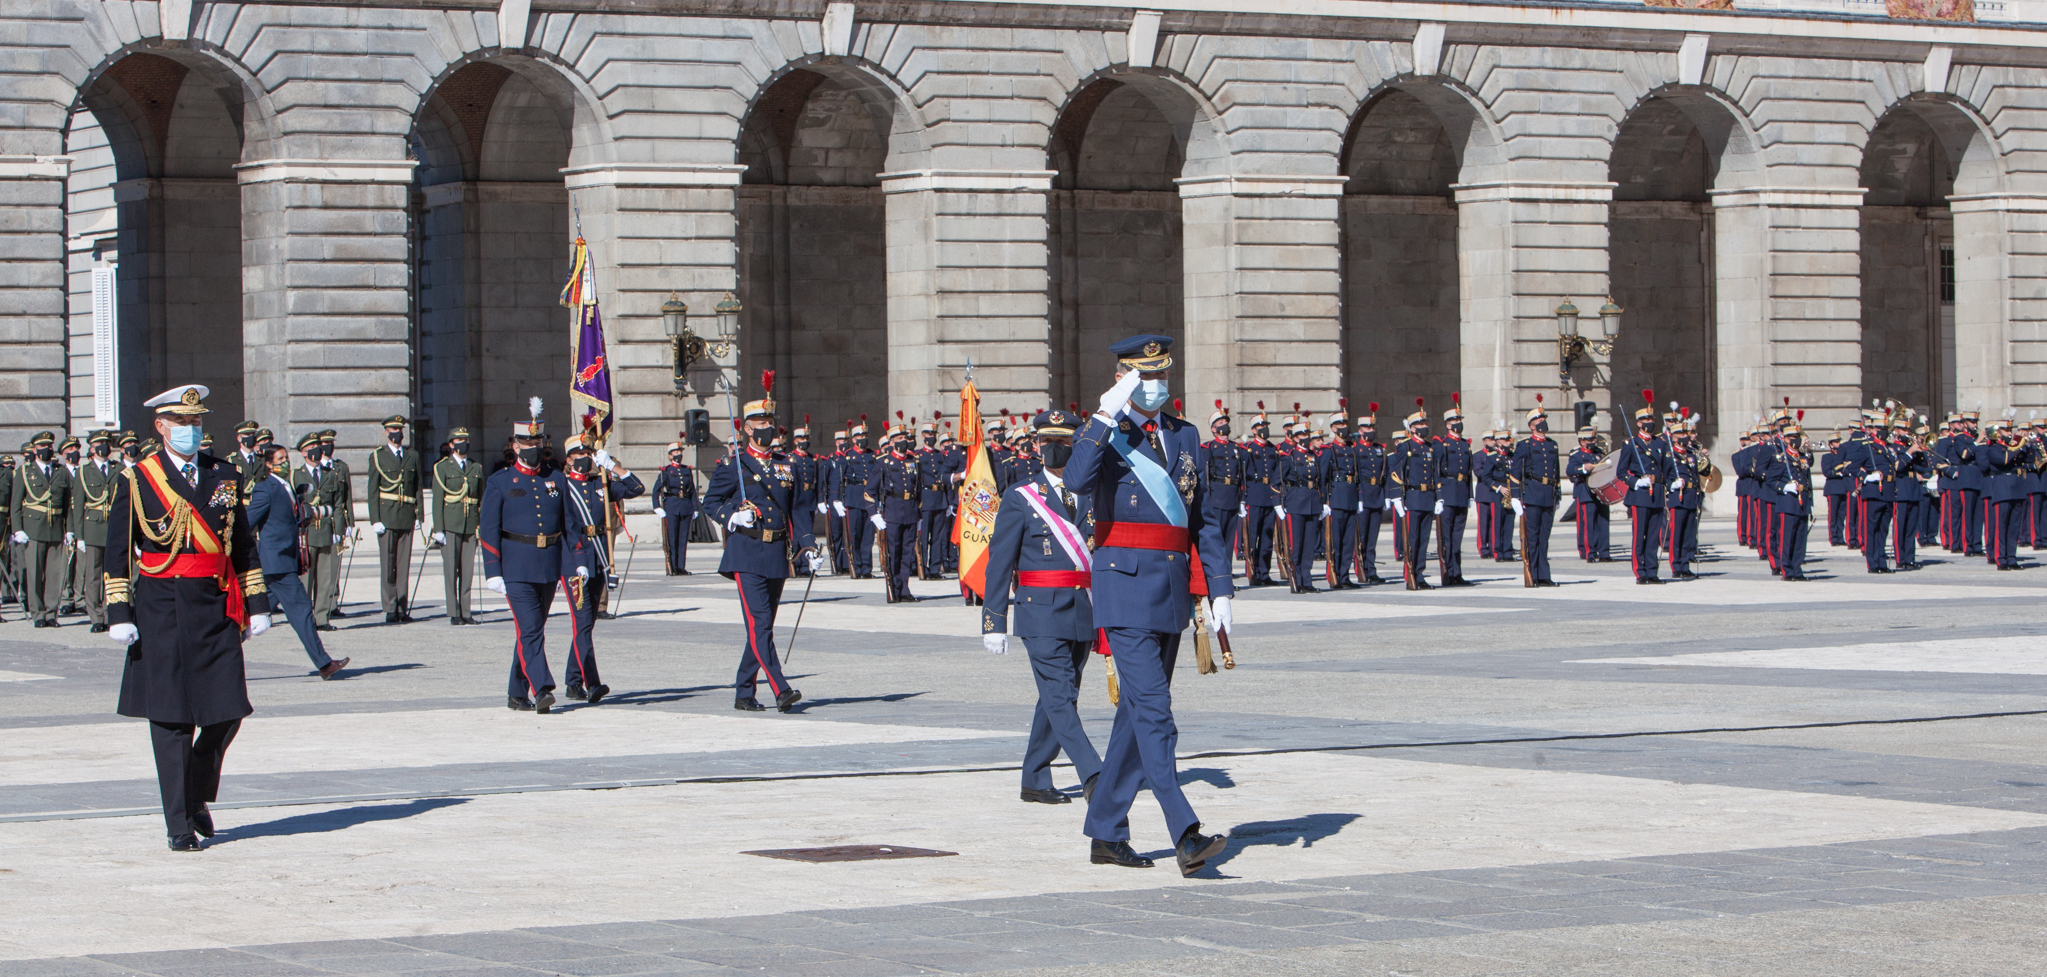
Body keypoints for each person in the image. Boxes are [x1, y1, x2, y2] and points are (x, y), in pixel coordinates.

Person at [1066, 334, 1231, 876]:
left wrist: (1220, 588)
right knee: (1157, 714)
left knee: (1135, 717)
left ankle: (1106, 832)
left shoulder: (1185, 435)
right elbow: (1074, 484)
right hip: (1123, 590)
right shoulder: (1106, 434)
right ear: (1124, 380)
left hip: (1171, 592)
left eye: (1163, 376)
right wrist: (1102, 418)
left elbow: (1202, 518)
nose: (1159, 386)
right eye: (1147, 378)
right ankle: (1185, 834)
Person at [106, 384, 273, 851]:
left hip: (215, 604)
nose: (191, 430)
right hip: (163, 607)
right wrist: (119, 612)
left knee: (228, 710)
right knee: (172, 719)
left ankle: (196, 792)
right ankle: (178, 823)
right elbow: (116, 552)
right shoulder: (138, 478)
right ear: (160, 427)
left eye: (196, 422)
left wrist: (257, 603)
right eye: (181, 423)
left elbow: (241, 543)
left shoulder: (224, 474)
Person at [980, 408, 1104, 805]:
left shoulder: (1092, 492)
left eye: (1063, 442)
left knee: (1058, 696)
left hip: (1082, 607)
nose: (1054, 448)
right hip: (1039, 611)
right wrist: (993, 620)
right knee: (1060, 692)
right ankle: (1095, 774)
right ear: (1035, 446)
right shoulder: (1020, 497)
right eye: (1047, 442)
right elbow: (1000, 560)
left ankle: (1034, 777)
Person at [703, 377, 821, 713]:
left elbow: (798, 508)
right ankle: (780, 688)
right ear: (748, 430)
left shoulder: (787, 464)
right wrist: (732, 517)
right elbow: (710, 502)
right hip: (746, 551)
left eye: (771, 423)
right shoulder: (734, 466)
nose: (768, 429)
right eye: (761, 424)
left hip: (776, 552)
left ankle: (744, 691)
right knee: (759, 623)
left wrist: (808, 546)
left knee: (762, 625)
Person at [480, 400, 598, 714]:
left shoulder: (556, 479)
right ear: (514, 445)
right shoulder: (500, 482)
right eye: (526, 442)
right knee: (530, 628)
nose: (533, 447)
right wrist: (492, 569)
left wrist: (580, 558)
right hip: (515, 565)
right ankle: (543, 687)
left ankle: (517, 693)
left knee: (532, 630)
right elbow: (488, 528)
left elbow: (570, 524)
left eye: (537, 442)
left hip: (549, 565)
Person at [248, 443, 349, 679]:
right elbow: (248, 521)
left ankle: (220, 653)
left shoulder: (286, 487)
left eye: (286, 459)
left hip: (283, 560)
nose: (286, 463)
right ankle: (324, 664)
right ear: (270, 465)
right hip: (276, 562)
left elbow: (288, 518)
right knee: (302, 609)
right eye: (280, 460)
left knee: (252, 612)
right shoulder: (267, 488)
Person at [557, 433, 644, 702]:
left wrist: (613, 467)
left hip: (599, 557)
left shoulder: (601, 483)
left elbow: (636, 488)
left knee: (588, 623)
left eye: (588, 454)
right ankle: (592, 682)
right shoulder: (562, 486)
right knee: (582, 622)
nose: (586, 458)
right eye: (580, 455)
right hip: (574, 559)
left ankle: (573, 682)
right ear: (570, 459)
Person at [12, 430, 73, 627]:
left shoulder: (61, 472)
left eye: (49, 446)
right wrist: (17, 529)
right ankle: (37, 613)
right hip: (33, 529)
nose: (46, 449)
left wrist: (69, 529)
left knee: (54, 574)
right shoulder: (25, 472)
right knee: (35, 573)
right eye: (42, 447)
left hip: (55, 528)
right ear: (35, 450)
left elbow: (67, 506)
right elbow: (16, 505)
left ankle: (50, 613)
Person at [367, 414, 424, 622]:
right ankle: (390, 607)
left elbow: (417, 486)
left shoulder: (412, 455)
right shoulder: (378, 456)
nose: (396, 433)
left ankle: (402, 606)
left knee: (403, 564)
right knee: (388, 564)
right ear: (386, 432)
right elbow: (372, 490)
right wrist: (375, 519)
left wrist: (419, 514)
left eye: (399, 430)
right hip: (387, 515)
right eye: (392, 430)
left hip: (406, 514)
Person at [1616, 395, 1674, 584]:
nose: (1650, 423)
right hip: (1639, 495)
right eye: (1646, 420)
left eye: (1651, 420)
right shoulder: (1630, 444)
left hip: (1656, 493)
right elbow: (1621, 472)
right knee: (1640, 535)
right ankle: (1640, 571)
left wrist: (1671, 483)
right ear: (1639, 423)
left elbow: (1667, 470)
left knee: (1653, 537)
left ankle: (1652, 571)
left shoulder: (1660, 444)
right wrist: (1635, 482)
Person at [432, 428, 484, 625]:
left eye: (466, 440)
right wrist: (438, 529)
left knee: (467, 571)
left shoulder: (475, 467)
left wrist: (479, 524)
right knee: (451, 570)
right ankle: (454, 611)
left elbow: (481, 498)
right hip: (450, 524)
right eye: (459, 440)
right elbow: (437, 500)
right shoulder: (442, 467)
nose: (464, 443)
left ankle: (466, 611)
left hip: (470, 524)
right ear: (451, 444)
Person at [1388, 401, 1440, 590]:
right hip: (1412, 496)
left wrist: (1439, 496)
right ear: (1412, 428)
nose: (1425, 427)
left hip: (1427, 497)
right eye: (1421, 425)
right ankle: (1410, 573)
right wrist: (1396, 497)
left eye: (1425, 424)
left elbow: (1435, 472)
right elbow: (1396, 471)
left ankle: (1419, 573)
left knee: (1424, 540)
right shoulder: (1405, 446)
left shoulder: (1429, 447)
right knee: (1412, 539)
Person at [1508, 402, 1561, 587]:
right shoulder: (1525, 445)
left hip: (1548, 494)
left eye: (1544, 419)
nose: (1543, 422)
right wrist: (1515, 497)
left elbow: (1556, 472)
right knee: (1532, 536)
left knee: (1544, 537)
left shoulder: (1552, 445)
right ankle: (1532, 573)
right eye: (1539, 420)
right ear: (1532, 425)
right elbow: (1515, 473)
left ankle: (1544, 575)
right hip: (1532, 494)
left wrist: (1558, 495)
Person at [72, 430, 118, 632]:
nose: (104, 447)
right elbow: (78, 507)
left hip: (114, 528)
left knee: (114, 574)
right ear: (92, 448)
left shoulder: (119, 468)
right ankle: (96, 616)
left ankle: (111, 613)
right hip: (93, 528)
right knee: (93, 575)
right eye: (99, 443)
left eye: (106, 443)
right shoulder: (84, 472)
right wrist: (79, 535)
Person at [872, 421, 922, 602]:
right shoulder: (883, 462)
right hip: (892, 511)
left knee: (907, 552)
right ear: (891, 442)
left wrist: (920, 514)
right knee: (893, 551)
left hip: (910, 511)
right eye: (900, 438)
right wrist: (874, 513)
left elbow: (919, 488)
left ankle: (904, 588)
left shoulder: (913, 460)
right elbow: (870, 491)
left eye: (905, 438)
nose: (904, 441)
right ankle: (893, 587)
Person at [1760, 422, 1815, 581]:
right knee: (1787, 538)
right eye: (1793, 437)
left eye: (1797, 437)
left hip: (1802, 502)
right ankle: (1787, 570)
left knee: (1800, 539)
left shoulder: (1803, 458)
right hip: (1787, 502)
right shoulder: (1781, 459)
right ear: (1785, 440)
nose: (1796, 440)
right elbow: (1771, 481)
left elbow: (1808, 479)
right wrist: (1784, 487)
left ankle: (1797, 569)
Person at [1432, 396, 1474, 586]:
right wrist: (1438, 496)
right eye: (1455, 421)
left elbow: (1469, 472)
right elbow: (1436, 471)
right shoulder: (1441, 444)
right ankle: (1447, 572)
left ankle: (1457, 572)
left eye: (1459, 421)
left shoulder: (1465, 445)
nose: (1458, 424)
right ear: (1448, 424)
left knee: (1457, 537)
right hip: (1447, 492)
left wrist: (1470, 495)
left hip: (1461, 492)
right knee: (1446, 537)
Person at [1317, 406, 1361, 589]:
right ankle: (1333, 574)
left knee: (1348, 541)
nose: (1344, 427)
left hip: (1350, 498)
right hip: (1335, 498)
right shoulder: (1329, 450)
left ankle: (1345, 575)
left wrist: (1359, 498)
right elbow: (1322, 478)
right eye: (1340, 424)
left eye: (1345, 423)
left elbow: (1357, 475)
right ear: (1333, 428)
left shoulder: (1351, 449)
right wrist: (1324, 501)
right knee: (1335, 540)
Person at [1278, 416, 1323, 593]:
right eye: (1302, 435)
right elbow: (1278, 481)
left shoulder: (1313, 456)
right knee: (1296, 545)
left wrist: (1322, 502)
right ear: (1295, 438)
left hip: (1312, 502)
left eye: (1307, 434)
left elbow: (1320, 480)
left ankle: (1307, 580)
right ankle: (1296, 580)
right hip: (1296, 503)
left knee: (1309, 545)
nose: (1305, 437)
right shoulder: (1288, 457)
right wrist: (1279, 504)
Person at [832, 418, 880, 578]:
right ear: (853, 439)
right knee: (855, 535)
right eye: (859, 436)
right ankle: (856, 566)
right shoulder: (847, 456)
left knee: (868, 536)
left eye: (865, 436)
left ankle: (866, 569)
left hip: (869, 499)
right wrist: (836, 499)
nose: (863, 439)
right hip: (853, 498)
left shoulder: (872, 455)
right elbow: (837, 479)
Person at [1241, 410, 1282, 586]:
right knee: (1252, 537)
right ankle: (1252, 572)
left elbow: (1277, 474)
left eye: (1265, 426)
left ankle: (1264, 572)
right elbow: (1242, 475)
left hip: (1269, 496)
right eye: (1260, 426)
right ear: (1254, 430)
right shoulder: (1248, 449)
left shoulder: (1273, 449)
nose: (1264, 429)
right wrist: (1243, 498)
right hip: (1254, 495)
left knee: (1267, 538)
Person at [1566, 429, 1611, 563]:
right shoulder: (1576, 455)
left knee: (1603, 522)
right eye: (1589, 440)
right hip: (1585, 491)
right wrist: (1584, 468)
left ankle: (1604, 552)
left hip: (1600, 491)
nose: (1592, 442)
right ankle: (1588, 552)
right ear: (1582, 441)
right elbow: (1570, 470)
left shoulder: (1599, 453)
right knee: (1588, 523)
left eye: (1593, 440)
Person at [655, 441, 697, 575]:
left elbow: (692, 490)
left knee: (683, 538)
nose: (679, 454)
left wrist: (695, 507)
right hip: (671, 506)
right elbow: (656, 490)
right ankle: (672, 566)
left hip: (685, 506)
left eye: (680, 452)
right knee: (672, 538)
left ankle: (680, 567)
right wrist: (657, 507)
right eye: (676, 452)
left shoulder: (687, 470)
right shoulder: (666, 471)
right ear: (670, 455)